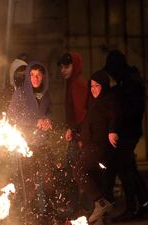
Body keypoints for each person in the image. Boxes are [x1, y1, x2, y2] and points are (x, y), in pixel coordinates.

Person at [103, 50, 148, 221]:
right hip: (129, 131)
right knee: (130, 169)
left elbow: (131, 110)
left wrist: (118, 121)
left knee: (125, 170)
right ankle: (146, 205)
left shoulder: (129, 83)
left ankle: (132, 209)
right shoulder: (128, 81)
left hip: (128, 132)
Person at [7, 62, 54, 224]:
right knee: (27, 181)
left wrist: (48, 120)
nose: (35, 78)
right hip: (26, 144)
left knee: (45, 179)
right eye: (32, 75)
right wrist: (36, 122)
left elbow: (49, 112)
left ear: (43, 77)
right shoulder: (20, 93)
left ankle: (44, 214)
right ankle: (26, 214)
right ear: (28, 76)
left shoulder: (46, 94)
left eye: (38, 75)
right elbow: (12, 116)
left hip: (42, 143)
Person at [73, 70, 120, 223]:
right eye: (91, 86)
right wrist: (74, 130)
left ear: (104, 86)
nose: (93, 89)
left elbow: (116, 115)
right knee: (97, 179)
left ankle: (100, 203)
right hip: (90, 145)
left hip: (98, 146)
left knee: (79, 170)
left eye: (97, 85)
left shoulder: (109, 100)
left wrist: (113, 130)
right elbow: (87, 122)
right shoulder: (94, 102)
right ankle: (103, 217)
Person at [57, 52, 89, 218]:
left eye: (67, 66)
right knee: (73, 172)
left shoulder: (77, 84)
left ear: (75, 66)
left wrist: (80, 136)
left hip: (80, 137)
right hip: (76, 135)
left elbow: (82, 113)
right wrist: (70, 128)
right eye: (62, 67)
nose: (63, 70)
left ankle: (82, 208)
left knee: (76, 173)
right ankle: (77, 207)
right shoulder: (70, 84)